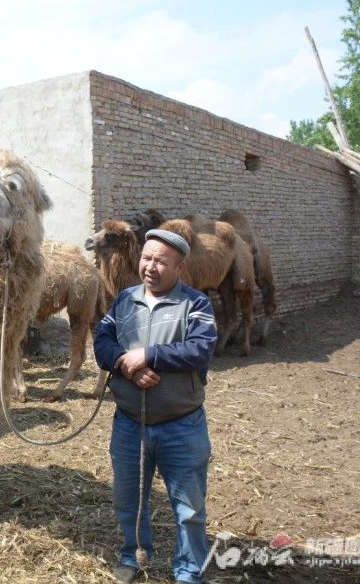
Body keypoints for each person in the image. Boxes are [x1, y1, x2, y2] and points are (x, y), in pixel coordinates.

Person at [94, 228, 217, 584]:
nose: (151, 267)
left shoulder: (195, 304)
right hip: (130, 423)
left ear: (180, 267)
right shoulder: (124, 301)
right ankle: (133, 556)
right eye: (146, 258)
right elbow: (102, 342)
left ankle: (190, 572)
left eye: (161, 261)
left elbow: (200, 348)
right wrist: (124, 364)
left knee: (189, 508)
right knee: (128, 499)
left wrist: (149, 355)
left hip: (182, 424)